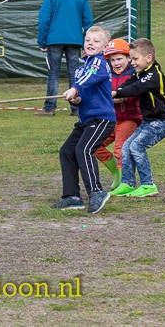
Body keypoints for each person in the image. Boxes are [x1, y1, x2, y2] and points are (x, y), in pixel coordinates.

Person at [50, 26, 116, 214]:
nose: (90, 44)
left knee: (84, 149)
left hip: (102, 118)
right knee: (67, 151)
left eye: (96, 41)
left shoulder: (100, 63)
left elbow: (90, 77)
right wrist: (77, 98)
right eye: (88, 40)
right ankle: (72, 197)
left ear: (104, 47)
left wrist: (75, 88)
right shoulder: (82, 68)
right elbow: (84, 91)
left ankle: (96, 192)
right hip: (86, 120)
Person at [110, 38, 165, 199]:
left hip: (162, 121)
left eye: (135, 59)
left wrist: (117, 94)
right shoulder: (140, 73)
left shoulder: (154, 75)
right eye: (131, 59)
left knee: (136, 147)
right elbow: (128, 83)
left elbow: (136, 88)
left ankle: (148, 185)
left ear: (148, 58)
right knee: (126, 146)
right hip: (149, 122)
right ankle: (127, 183)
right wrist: (117, 91)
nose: (132, 62)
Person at [36, 0, 93, 117]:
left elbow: (44, 20)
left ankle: (49, 108)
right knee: (75, 74)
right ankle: (76, 108)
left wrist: (42, 41)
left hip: (54, 39)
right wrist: (88, 43)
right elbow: (88, 21)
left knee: (53, 73)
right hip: (75, 40)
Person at [93, 38, 142, 191]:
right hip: (110, 120)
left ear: (128, 58)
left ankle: (125, 182)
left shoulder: (134, 75)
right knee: (95, 146)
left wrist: (118, 97)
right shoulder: (107, 76)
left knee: (120, 149)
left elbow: (134, 93)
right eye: (112, 60)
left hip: (129, 119)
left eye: (120, 58)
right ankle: (117, 173)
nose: (116, 63)